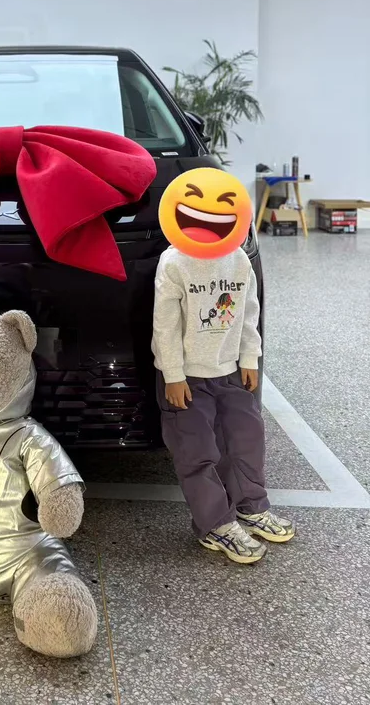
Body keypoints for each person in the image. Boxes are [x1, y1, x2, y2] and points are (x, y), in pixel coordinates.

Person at [152, 168, 295, 564]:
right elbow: (165, 325)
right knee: (197, 452)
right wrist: (173, 376)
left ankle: (251, 507)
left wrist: (250, 358)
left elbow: (249, 313)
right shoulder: (174, 262)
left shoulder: (238, 259)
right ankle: (215, 524)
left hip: (231, 370)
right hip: (187, 378)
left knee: (245, 441)